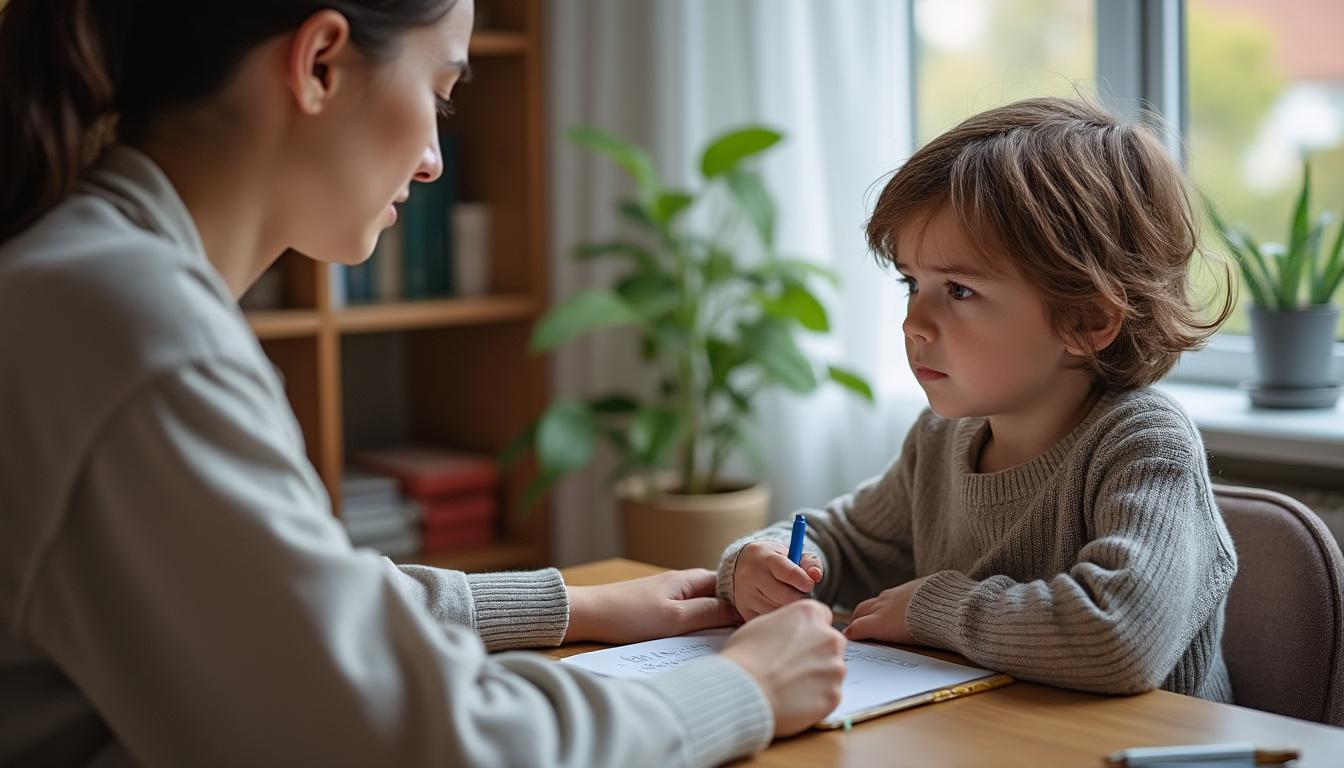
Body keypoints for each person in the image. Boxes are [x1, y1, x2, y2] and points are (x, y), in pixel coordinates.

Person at [0, 1, 847, 765]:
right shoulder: (133, 325)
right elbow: (423, 747)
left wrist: (571, 606)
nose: (436, 161)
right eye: (440, 94)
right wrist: (744, 689)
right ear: (321, 63)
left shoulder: (97, 281)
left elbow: (286, 599)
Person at [718, 97, 1240, 701]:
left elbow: (1118, 636)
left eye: (959, 290)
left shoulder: (1144, 445)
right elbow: (840, 541)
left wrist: (932, 608)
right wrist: (762, 560)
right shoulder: (942, 439)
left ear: (1089, 319)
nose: (914, 322)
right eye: (913, 283)